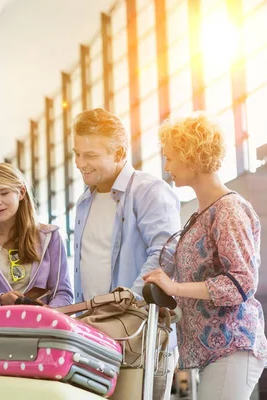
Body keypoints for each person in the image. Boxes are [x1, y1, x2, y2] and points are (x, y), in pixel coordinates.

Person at [144, 114, 267, 399]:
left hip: (228, 347)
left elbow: (241, 283)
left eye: (170, 158)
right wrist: (174, 301)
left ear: (191, 157)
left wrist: (175, 288)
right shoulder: (199, 216)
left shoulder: (229, 210)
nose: (167, 168)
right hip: (191, 354)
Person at [71, 108, 180, 399]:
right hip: (94, 338)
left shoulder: (150, 191)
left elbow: (166, 254)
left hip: (137, 337)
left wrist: (124, 303)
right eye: (76, 154)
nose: (80, 163)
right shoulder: (84, 201)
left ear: (119, 152)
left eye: (90, 155)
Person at [0, 162, 73, 319]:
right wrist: (0, 301)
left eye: (4, 193)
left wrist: (48, 313)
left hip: (43, 333)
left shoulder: (50, 237)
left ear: (21, 192)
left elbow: (63, 293)